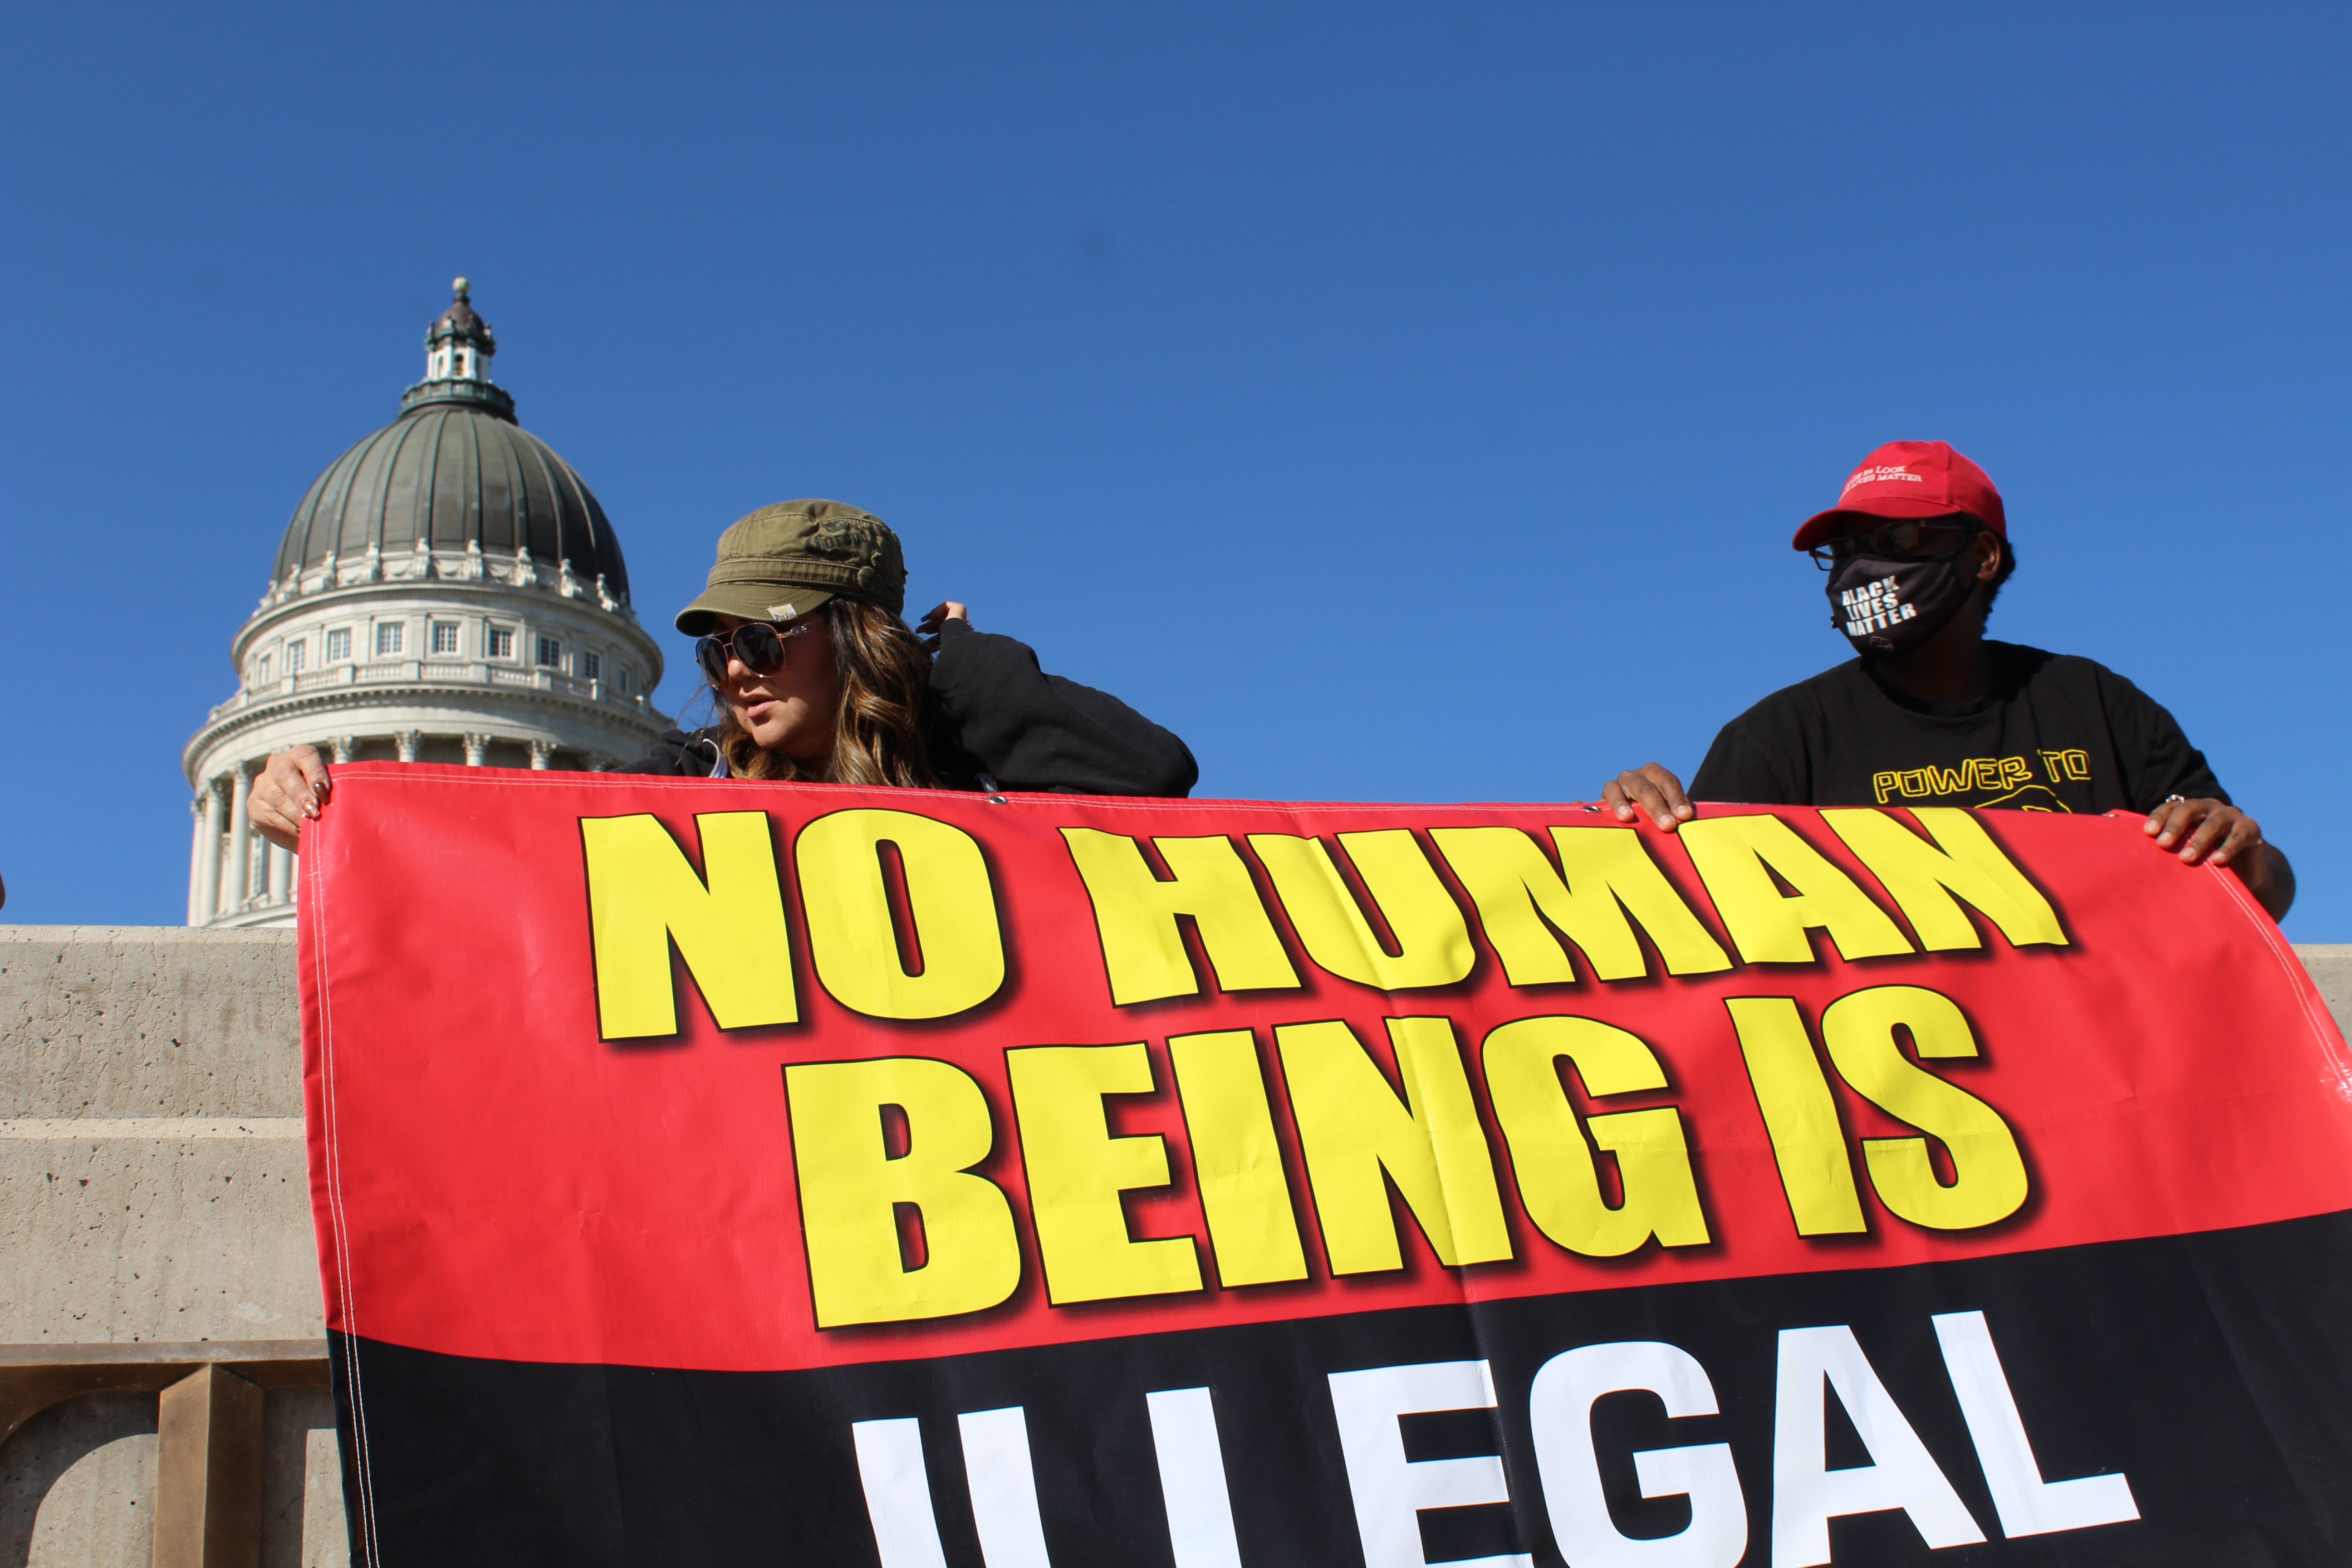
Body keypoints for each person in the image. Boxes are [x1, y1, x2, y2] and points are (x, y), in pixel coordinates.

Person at [1601, 440, 2294, 920]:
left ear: (1983, 556)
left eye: (1894, 543)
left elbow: (2264, 888)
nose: (1859, 570)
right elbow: (1695, 921)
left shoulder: (2096, 703)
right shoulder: (1778, 740)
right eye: (1842, 551)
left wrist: (2244, 851)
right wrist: (1633, 831)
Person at [246, 500, 1196, 847]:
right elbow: (522, 836)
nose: (738, 669)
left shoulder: (955, 737)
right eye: (720, 647)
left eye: (767, 639)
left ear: (863, 637)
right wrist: (337, 811)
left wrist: (965, 670)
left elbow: (1151, 773)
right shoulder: (696, 772)